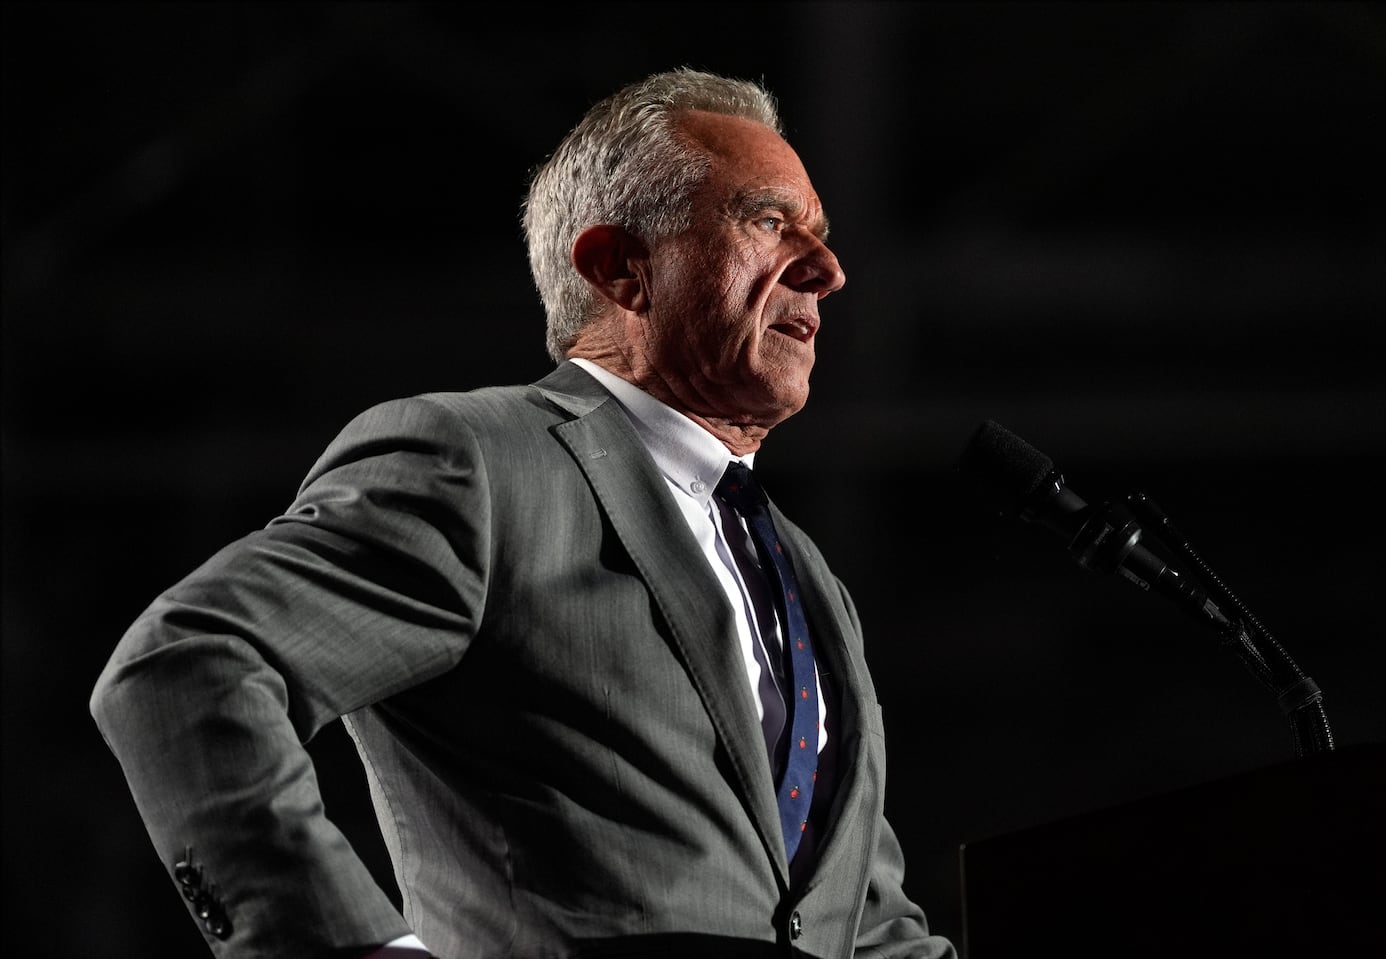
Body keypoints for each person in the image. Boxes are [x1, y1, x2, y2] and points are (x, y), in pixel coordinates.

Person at [90, 67, 956, 959]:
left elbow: (864, 919)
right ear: (620, 267)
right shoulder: (483, 461)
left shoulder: (807, 575)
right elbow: (188, 661)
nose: (828, 269)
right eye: (770, 222)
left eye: (819, 234)